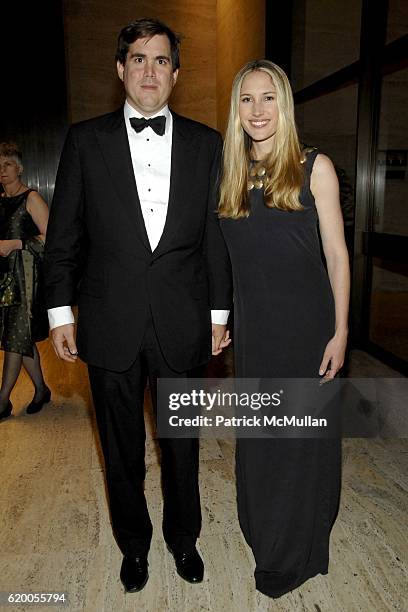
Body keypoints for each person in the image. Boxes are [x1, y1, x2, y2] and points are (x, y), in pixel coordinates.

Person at [43, 18, 232, 592]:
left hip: (182, 317)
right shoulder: (85, 139)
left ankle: (184, 539)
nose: (150, 70)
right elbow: (65, 238)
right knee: (120, 446)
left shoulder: (206, 144)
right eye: (139, 59)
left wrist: (220, 315)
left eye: (161, 60)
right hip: (109, 320)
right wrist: (59, 313)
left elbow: (215, 238)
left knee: (182, 443)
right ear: (121, 69)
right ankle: (134, 544)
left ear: (176, 73)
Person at [219, 60, 350, 598]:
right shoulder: (227, 173)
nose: (257, 110)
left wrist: (341, 332)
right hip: (255, 332)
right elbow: (222, 261)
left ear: (285, 104)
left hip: (306, 330)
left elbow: (338, 257)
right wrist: (220, 318)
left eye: (268, 98)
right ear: (236, 110)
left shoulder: (314, 166)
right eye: (247, 100)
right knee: (262, 439)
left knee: (298, 440)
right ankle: (264, 528)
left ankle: (292, 549)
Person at [0, 142, 50, 421]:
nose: (2, 170)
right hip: (4, 279)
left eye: (7, 164)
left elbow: (52, 238)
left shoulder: (31, 198)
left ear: (19, 168)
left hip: (27, 279)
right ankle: (41, 390)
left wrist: (16, 244)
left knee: (14, 338)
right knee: (20, 337)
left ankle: (2, 399)